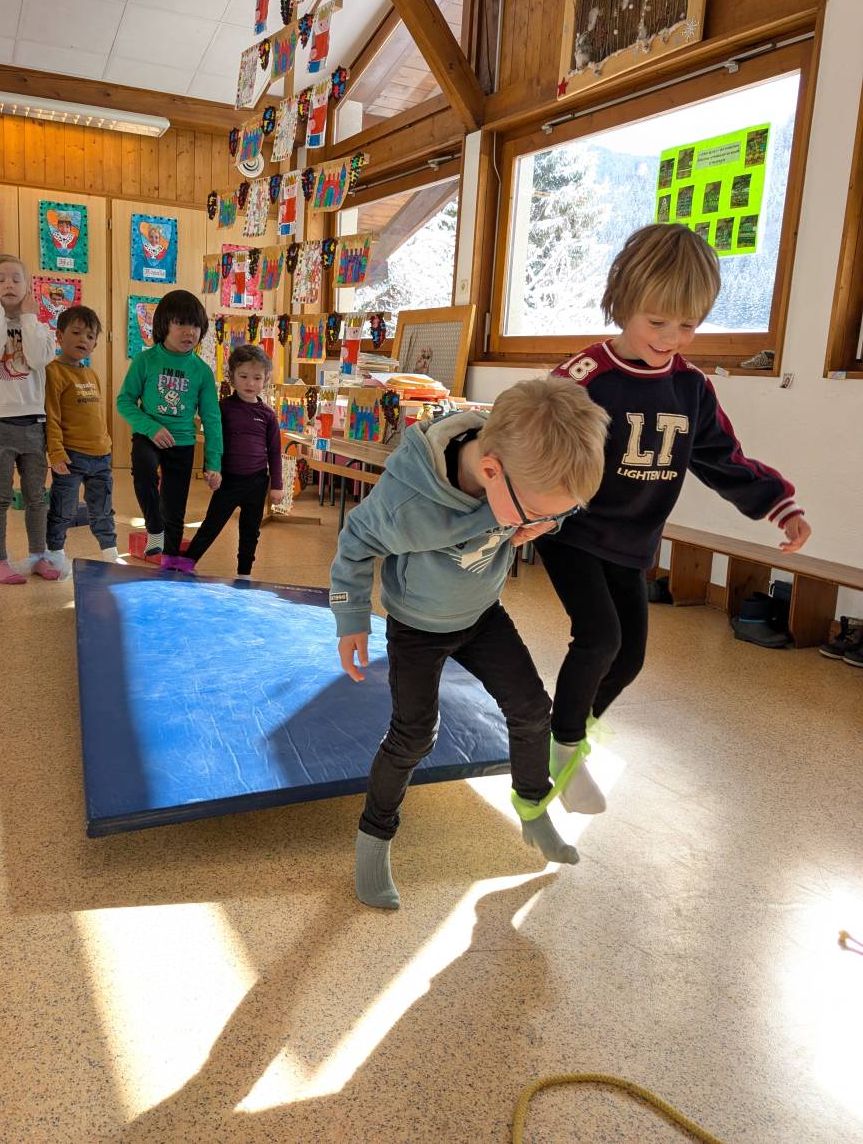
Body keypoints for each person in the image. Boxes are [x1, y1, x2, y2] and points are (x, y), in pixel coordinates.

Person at [540, 223, 813, 814]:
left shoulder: (690, 387)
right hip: (575, 533)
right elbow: (537, 442)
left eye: (687, 325)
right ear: (621, 303)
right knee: (600, 638)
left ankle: (567, 729)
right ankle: (561, 751)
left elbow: (721, 457)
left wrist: (779, 504)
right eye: (655, 321)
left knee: (630, 656)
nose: (671, 337)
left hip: (635, 543)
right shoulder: (586, 378)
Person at [330, 379, 610, 910]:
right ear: (489, 472)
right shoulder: (408, 502)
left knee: (532, 711)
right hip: (417, 623)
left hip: (482, 615)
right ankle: (373, 839)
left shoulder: (524, 474)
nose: (545, 523)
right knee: (413, 737)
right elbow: (355, 543)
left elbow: (559, 505)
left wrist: (538, 524)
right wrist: (351, 619)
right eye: (536, 514)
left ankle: (533, 809)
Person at [116, 289, 223, 570]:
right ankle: (154, 526)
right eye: (181, 324)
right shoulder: (146, 360)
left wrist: (214, 464)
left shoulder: (201, 371)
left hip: (183, 443)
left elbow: (212, 419)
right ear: (164, 325)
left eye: (196, 325)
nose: (190, 332)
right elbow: (125, 401)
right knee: (143, 468)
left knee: (175, 510)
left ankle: (170, 562)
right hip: (149, 436)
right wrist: (150, 427)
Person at [0, 253, 58, 584]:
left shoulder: (41, 328)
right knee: (0, 496)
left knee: (37, 496)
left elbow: (36, 359)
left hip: (33, 422)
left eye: (17, 279)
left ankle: (38, 555)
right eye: (1, 279)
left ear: (29, 288)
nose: (9, 284)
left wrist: (30, 319)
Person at [181, 344, 283, 578]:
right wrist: (211, 470)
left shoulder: (268, 415)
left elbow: (275, 452)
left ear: (265, 379)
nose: (250, 383)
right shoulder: (222, 408)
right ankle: (187, 563)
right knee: (211, 525)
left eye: (257, 378)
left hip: (257, 483)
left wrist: (277, 486)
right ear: (232, 378)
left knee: (250, 531)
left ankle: (244, 574)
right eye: (244, 376)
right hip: (229, 481)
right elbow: (213, 441)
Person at [43, 306, 120, 577]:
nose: (82, 340)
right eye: (76, 333)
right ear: (60, 335)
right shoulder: (53, 372)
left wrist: (107, 443)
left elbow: (98, 415)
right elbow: (50, 416)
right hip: (71, 457)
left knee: (102, 509)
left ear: (96, 343)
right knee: (63, 509)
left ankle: (110, 553)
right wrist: (56, 453)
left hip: (101, 456)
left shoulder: (91, 374)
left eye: (89, 336)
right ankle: (54, 553)